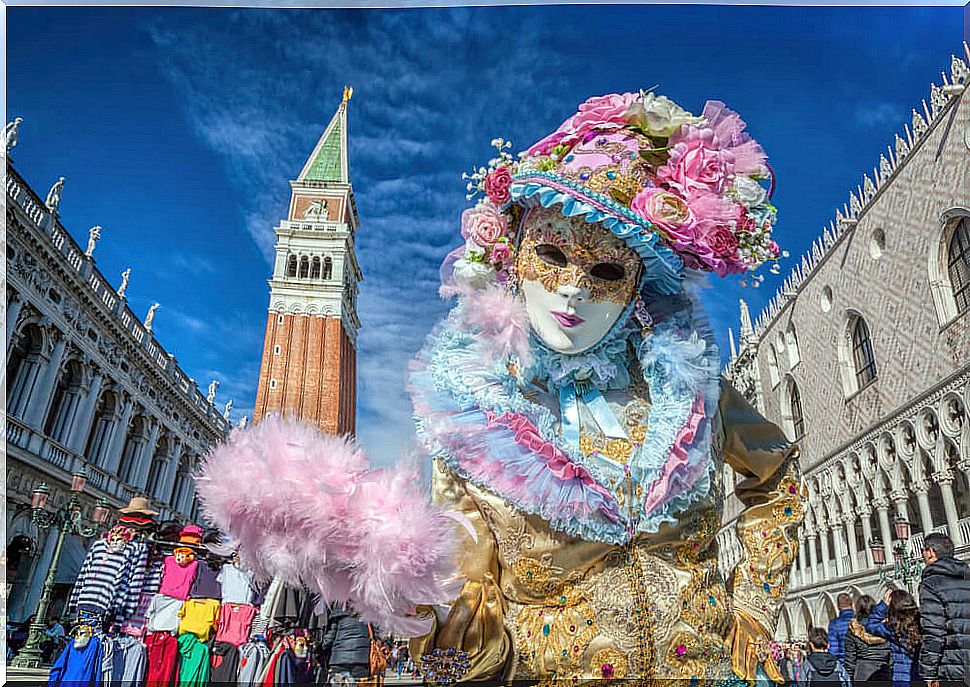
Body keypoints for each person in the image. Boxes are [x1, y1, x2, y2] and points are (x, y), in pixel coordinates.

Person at [918, 532, 970, 686]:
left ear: (930, 552)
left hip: (954, 667)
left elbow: (934, 632)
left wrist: (928, 673)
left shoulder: (931, 584)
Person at [866, 587, 922, 687]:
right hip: (921, 676)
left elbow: (871, 625)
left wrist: (883, 606)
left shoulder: (893, 628)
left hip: (901, 679)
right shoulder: (922, 624)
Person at [843, 594, 891, 683]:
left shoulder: (853, 630)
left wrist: (849, 679)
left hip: (861, 674)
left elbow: (850, 659)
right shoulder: (884, 628)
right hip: (883, 671)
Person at [321, 605, 372, 686]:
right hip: (362, 659)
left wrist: (321, 650)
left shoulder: (338, 612)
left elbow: (329, 639)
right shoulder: (370, 612)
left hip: (338, 659)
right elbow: (377, 635)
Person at [827, 593, 855, 665]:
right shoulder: (859, 620)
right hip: (860, 664)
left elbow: (833, 650)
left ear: (838, 607)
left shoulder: (834, 624)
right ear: (852, 604)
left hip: (844, 663)